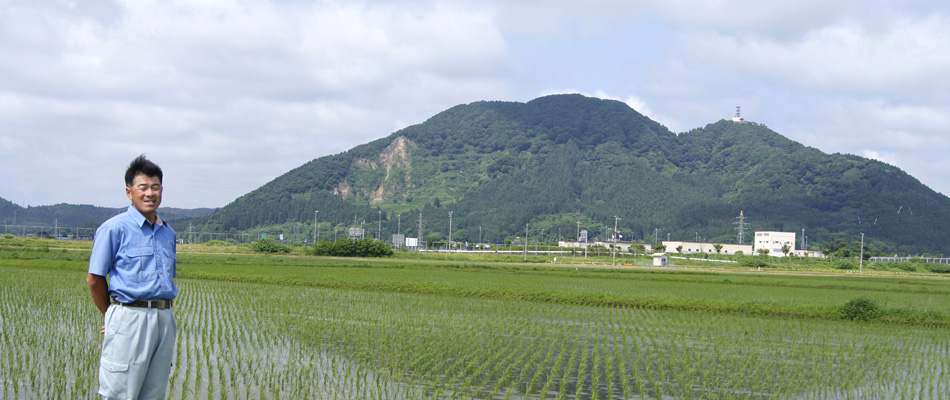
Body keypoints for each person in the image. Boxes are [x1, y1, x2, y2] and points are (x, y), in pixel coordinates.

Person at [87, 155, 178, 400]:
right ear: (129, 192)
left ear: (162, 190)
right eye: (143, 187)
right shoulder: (114, 228)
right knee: (120, 393)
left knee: (154, 393)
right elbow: (95, 278)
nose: (150, 193)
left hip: (164, 318)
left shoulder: (167, 232)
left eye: (156, 187)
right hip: (129, 318)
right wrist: (112, 316)